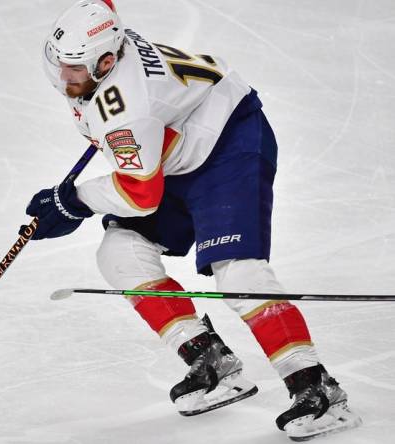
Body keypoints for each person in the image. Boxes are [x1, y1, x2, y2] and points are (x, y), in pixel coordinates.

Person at [25, 0, 362, 441]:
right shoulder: (108, 65)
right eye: (59, 63)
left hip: (229, 146)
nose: (63, 77)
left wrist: (75, 201)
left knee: (239, 273)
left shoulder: (127, 107)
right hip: (177, 151)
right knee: (120, 253)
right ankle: (212, 363)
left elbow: (139, 194)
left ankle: (317, 389)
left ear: (107, 61)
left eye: (74, 68)